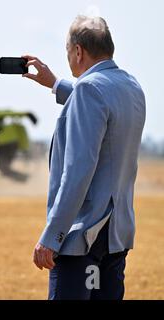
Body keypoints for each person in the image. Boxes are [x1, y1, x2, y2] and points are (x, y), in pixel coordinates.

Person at [23, 15, 146, 300]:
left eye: (68, 52)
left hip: (84, 237)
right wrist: (54, 83)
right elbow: (104, 106)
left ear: (78, 51)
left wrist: (52, 236)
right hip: (116, 233)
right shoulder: (131, 85)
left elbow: (78, 173)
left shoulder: (88, 91)